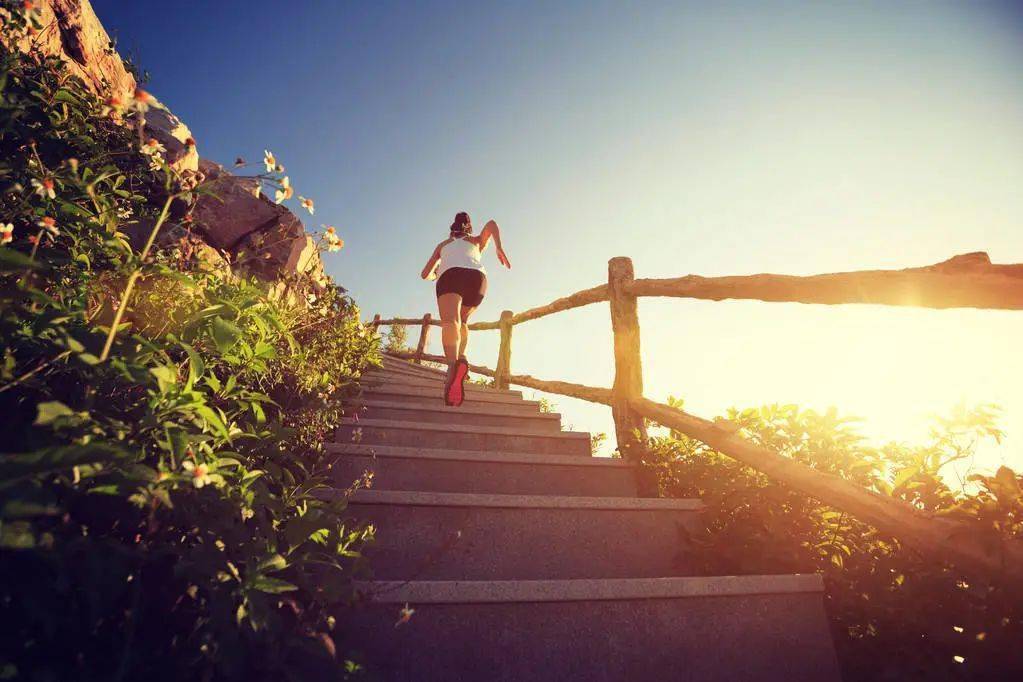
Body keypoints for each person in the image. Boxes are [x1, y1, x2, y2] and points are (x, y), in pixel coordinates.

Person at [421, 211, 511, 406]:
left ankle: (452, 369)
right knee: (463, 321)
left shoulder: (443, 245)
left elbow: (424, 274)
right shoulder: (477, 241)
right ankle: (461, 357)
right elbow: (492, 223)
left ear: (452, 230)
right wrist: (498, 247)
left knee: (450, 321)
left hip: (450, 277)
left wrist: (436, 275)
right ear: (468, 227)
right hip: (477, 279)